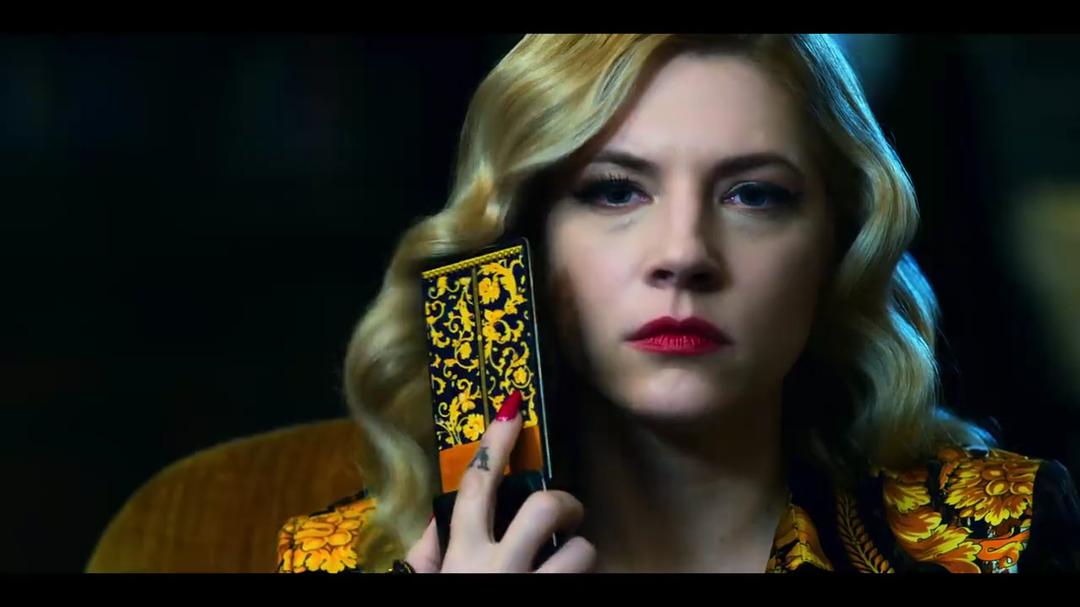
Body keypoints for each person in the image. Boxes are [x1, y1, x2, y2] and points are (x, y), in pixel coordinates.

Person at [275, 34, 1080, 574]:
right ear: (520, 244)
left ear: (835, 248)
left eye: (754, 194)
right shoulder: (335, 560)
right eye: (614, 191)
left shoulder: (1000, 537)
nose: (685, 254)